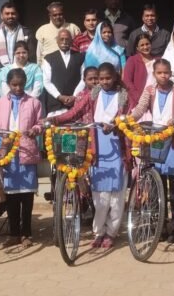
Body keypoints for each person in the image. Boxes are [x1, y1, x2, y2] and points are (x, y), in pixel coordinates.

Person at [52, 63, 131, 250]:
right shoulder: (92, 95)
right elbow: (75, 112)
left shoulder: (124, 96)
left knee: (116, 197)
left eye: (107, 78)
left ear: (115, 77)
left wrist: (116, 124)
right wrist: (54, 119)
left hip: (118, 149)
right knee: (99, 197)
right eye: (101, 78)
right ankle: (99, 232)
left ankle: (111, 232)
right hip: (97, 150)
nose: (104, 82)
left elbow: (127, 117)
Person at [129, 58, 174, 244]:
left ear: (171, 73)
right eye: (160, 73)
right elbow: (140, 109)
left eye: (166, 72)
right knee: (156, 184)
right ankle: (159, 224)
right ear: (154, 74)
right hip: (154, 140)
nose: (163, 76)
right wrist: (128, 119)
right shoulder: (150, 90)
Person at [0, 68, 44, 248]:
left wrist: (35, 130)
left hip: (26, 151)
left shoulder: (34, 103)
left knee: (26, 195)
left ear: (26, 83)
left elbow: (40, 122)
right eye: (14, 85)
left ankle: (27, 233)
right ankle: (14, 233)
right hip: (7, 152)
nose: (18, 88)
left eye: (21, 84)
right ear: (8, 85)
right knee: (11, 195)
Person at [0, 2, 34, 91]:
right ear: (1, 16)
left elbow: (31, 55)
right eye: (7, 13)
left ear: (17, 15)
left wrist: (20, 70)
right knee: (3, 104)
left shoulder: (26, 33)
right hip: (2, 78)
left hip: (23, 78)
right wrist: (5, 70)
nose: (10, 16)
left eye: (13, 13)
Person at [41, 29, 84, 117]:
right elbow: (46, 81)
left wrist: (74, 96)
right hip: (55, 105)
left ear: (72, 41)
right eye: (61, 39)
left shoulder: (80, 57)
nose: (64, 42)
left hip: (75, 104)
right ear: (57, 41)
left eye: (67, 39)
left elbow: (84, 79)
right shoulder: (48, 58)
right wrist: (59, 96)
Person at [122, 32, 156, 98]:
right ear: (137, 48)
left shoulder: (157, 60)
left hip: (155, 97)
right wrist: (138, 96)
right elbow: (127, 81)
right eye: (142, 45)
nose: (145, 47)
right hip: (138, 98)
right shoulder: (132, 60)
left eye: (147, 44)